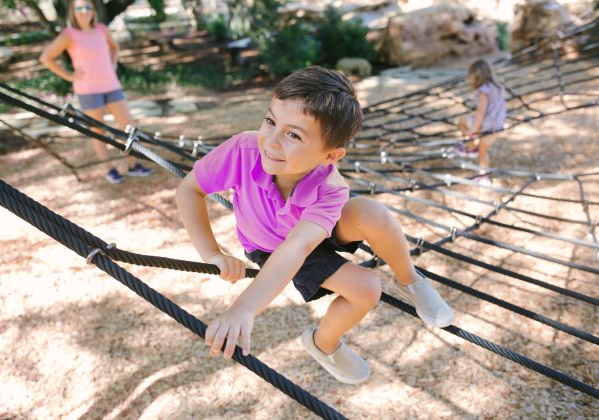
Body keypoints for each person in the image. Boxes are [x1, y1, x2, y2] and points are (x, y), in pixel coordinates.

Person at [176, 66, 454, 385]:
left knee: (372, 212)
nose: (272, 141)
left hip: (308, 235)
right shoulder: (244, 149)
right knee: (367, 288)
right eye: (270, 121)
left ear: (330, 155)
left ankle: (409, 281)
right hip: (272, 246)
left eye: (293, 135)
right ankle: (324, 343)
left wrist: (245, 307)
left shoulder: (331, 188)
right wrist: (213, 253)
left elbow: (302, 244)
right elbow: (189, 189)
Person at [40, 0, 154, 184]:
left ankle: (134, 166)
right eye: (79, 8)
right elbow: (46, 58)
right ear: (73, 12)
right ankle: (110, 169)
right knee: (98, 131)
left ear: (93, 11)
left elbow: (114, 47)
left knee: (128, 127)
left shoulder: (101, 29)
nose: (84, 11)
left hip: (112, 86)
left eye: (88, 7)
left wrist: (112, 64)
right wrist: (69, 76)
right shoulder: (69, 34)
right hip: (88, 91)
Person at [456, 59, 507, 186]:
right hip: (497, 126)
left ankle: (471, 147)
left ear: (475, 76)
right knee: (483, 151)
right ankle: (483, 177)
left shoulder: (483, 92)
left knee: (462, 121)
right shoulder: (496, 87)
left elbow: (480, 113)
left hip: (486, 125)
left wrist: (472, 130)